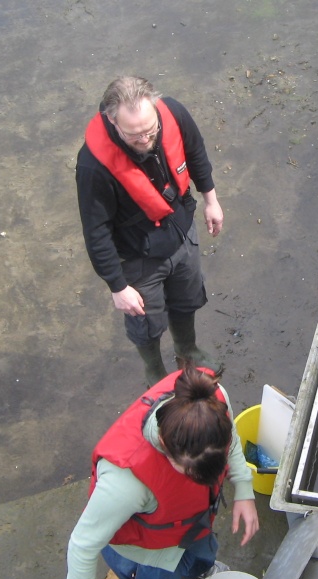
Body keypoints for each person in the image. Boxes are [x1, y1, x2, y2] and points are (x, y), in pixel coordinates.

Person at [76, 76, 224, 386]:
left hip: (181, 232)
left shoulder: (173, 114)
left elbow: (196, 154)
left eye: (150, 129)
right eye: (134, 135)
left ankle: (188, 350)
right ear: (113, 123)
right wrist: (117, 287)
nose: (146, 140)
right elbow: (96, 231)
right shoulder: (93, 166)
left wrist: (211, 200)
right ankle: (154, 370)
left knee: (187, 299)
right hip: (137, 256)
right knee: (145, 322)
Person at [66, 365, 260, 579]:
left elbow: (233, 439)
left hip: (192, 521)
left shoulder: (212, 400)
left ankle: (198, 570)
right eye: (191, 472)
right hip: (143, 553)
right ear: (163, 444)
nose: (202, 481)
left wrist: (243, 488)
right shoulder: (124, 482)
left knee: (202, 557)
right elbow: (82, 546)